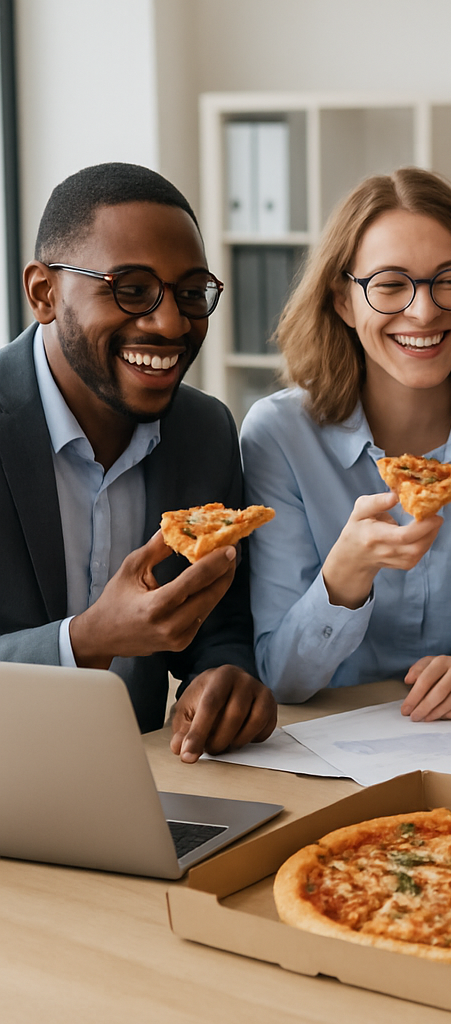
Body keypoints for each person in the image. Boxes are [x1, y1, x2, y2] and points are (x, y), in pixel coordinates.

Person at [241, 167, 451, 721]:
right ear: (343, 301)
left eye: (450, 279)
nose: (425, 311)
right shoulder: (278, 436)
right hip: (327, 743)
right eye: (390, 284)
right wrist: (344, 577)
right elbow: (281, 678)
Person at [0, 162, 277, 763]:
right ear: (44, 293)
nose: (171, 323)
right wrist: (87, 640)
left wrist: (222, 674)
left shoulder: (204, 431)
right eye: (131, 289)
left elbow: (221, 622)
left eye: (190, 293)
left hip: (148, 787)